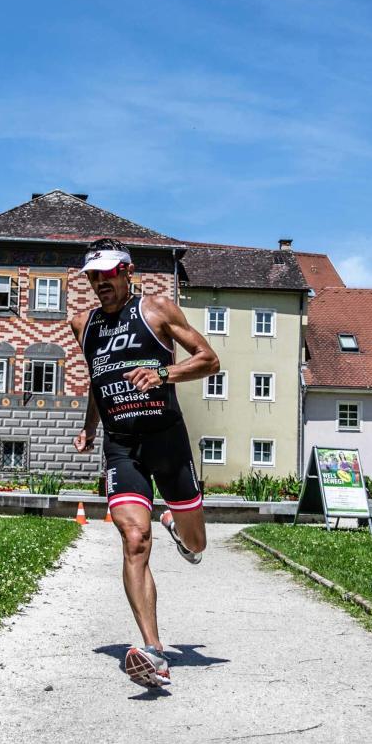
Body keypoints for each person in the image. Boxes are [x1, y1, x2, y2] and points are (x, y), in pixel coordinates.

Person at [70, 238, 220, 687]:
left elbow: (209, 360)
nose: (101, 284)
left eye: (108, 274)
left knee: (197, 545)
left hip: (167, 440)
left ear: (127, 271)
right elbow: (100, 381)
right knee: (134, 538)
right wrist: (90, 427)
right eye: (93, 276)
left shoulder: (157, 310)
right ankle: (153, 651)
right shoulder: (84, 324)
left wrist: (163, 374)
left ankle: (178, 525)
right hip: (122, 446)